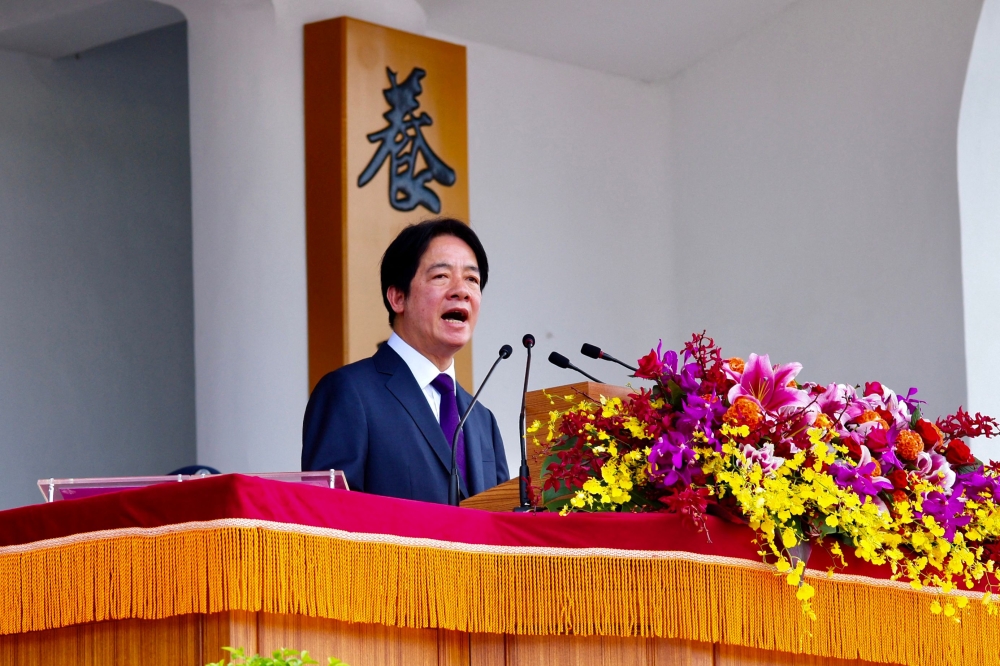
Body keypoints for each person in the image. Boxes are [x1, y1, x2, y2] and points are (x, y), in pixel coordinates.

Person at [302, 218, 509, 503]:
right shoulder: (349, 393)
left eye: (472, 279)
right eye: (441, 276)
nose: (461, 290)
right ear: (398, 297)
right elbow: (328, 518)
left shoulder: (482, 420)